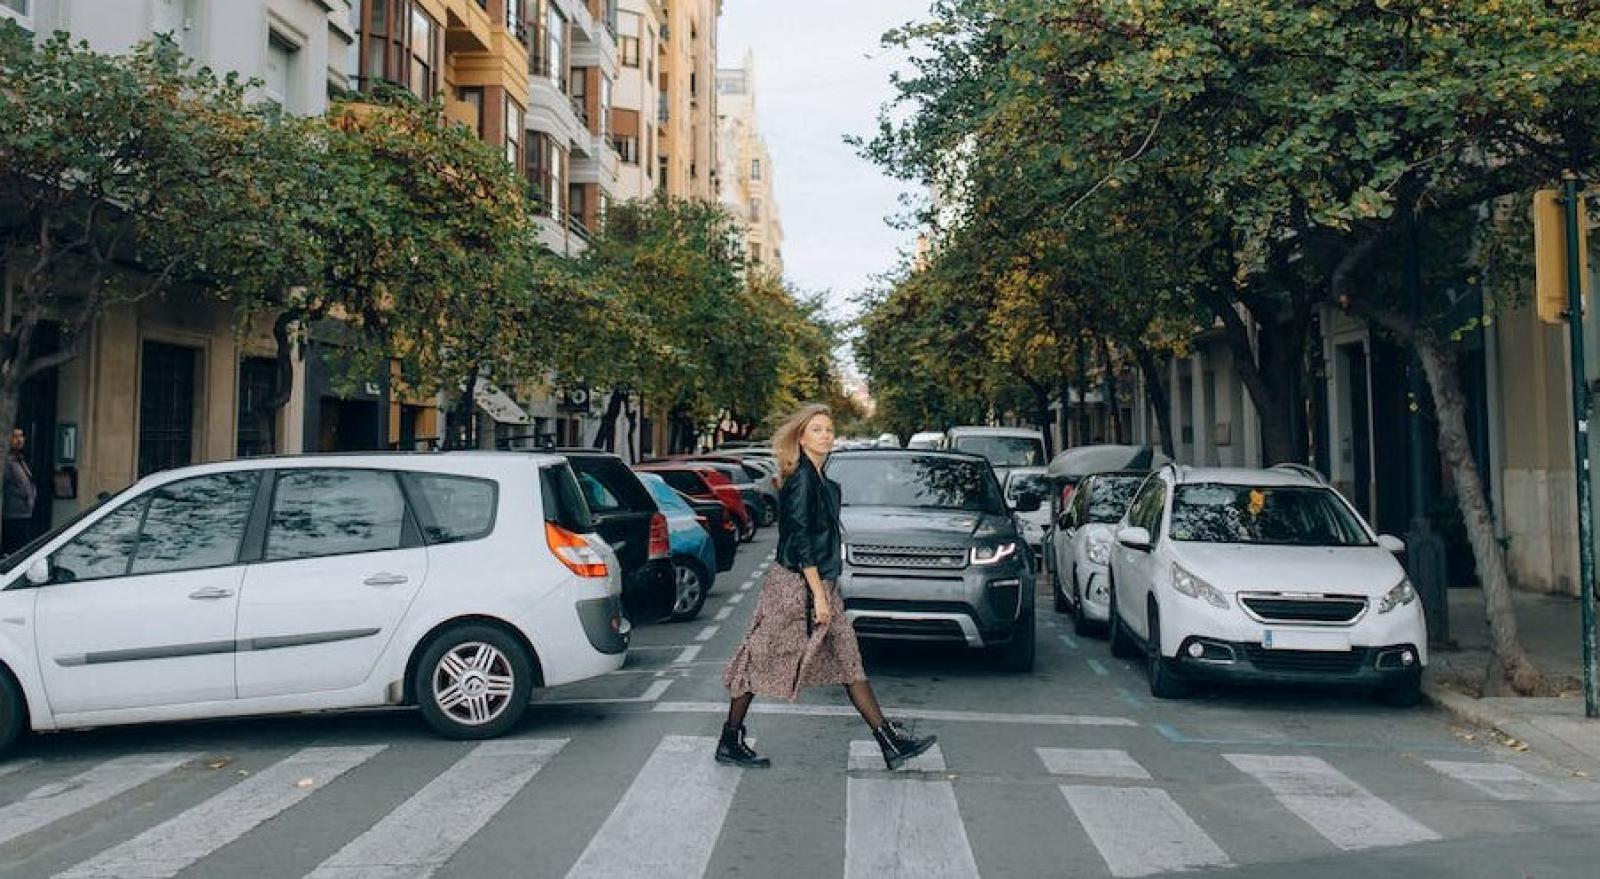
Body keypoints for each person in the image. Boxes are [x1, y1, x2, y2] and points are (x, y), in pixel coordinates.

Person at [718, 403, 937, 770]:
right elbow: (801, 540)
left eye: (829, 430)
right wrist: (819, 595)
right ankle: (730, 738)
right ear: (802, 438)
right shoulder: (802, 479)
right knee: (760, 657)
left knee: (849, 660)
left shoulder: (820, 479)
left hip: (818, 584)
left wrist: (824, 591)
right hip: (794, 587)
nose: (825, 436)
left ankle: (889, 742)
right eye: (816, 430)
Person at [2, 428, 37, 555]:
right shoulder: (7, 462)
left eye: (21, 436)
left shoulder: (20, 459)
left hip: (25, 513)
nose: (19, 440)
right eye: (15, 436)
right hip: (13, 514)